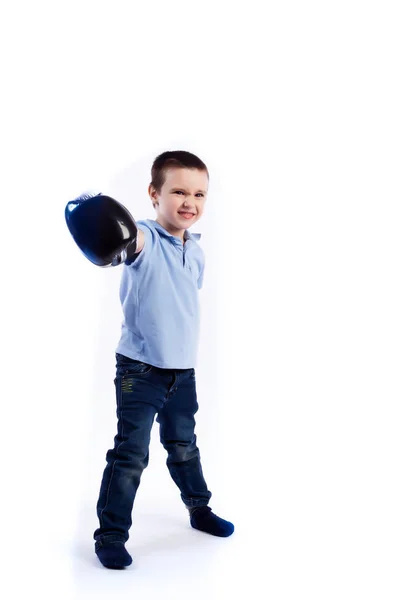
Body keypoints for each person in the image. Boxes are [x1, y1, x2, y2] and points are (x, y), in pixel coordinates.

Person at [93, 150, 234, 569]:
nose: (189, 202)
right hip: (140, 370)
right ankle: (111, 536)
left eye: (199, 194)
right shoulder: (144, 239)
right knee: (131, 454)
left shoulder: (198, 252)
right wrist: (96, 212)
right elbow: (128, 241)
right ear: (154, 194)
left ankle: (198, 508)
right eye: (178, 191)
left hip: (182, 372)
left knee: (184, 446)